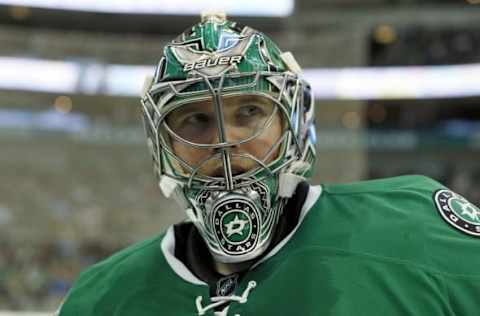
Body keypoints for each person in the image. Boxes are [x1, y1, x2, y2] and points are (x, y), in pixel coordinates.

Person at [57, 12, 480, 316]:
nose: (226, 141)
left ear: (292, 124)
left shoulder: (416, 228)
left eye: (250, 113)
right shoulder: (101, 299)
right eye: (196, 119)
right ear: (163, 144)